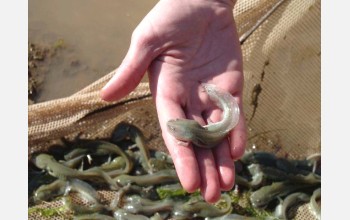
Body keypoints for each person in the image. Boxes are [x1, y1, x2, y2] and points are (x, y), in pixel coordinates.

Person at [100, 0, 247, 203]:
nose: (175, 126)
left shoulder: (197, 134)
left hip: (214, 127)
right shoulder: (195, 130)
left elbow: (198, 136)